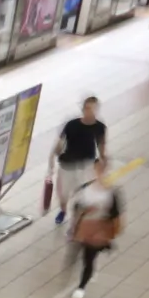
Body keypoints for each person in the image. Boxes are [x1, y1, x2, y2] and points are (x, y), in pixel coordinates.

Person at [67, 156, 124, 298]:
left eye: (102, 169)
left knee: (88, 257)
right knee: (76, 253)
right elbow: (76, 208)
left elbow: (116, 215)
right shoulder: (85, 189)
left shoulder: (111, 193)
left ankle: (81, 286)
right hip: (84, 227)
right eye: (97, 169)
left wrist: (112, 232)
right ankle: (104, 249)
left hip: (99, 229)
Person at [52, 97, 107, 230]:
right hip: (68, 164)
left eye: (93, 109)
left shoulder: (100, 127)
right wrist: (56, 153)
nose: (90, 111)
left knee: (82, 196)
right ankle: (63, 210)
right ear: (83, 109)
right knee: (64, 193)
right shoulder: (72, 125)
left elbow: (101, 145)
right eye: (88, 108)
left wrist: (103, 161)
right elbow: (60, 143)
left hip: (87, 165)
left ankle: (76, 223)